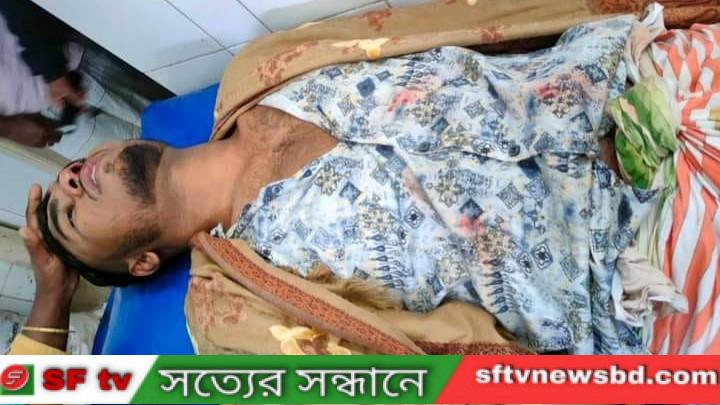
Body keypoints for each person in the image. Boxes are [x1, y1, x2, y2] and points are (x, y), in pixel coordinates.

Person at [13, 14, 687, 355]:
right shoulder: (241, 311)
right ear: (141, 263)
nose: (69, 179)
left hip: (643, 79)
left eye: (64, 179)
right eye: (70, 214)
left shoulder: (260, 73)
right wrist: (51, 294)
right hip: (649, 262)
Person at [0, 0, 146, 159]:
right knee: (139, 160)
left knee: (158, 118)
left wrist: (51, 70)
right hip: (38, 115)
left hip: (65, 69)